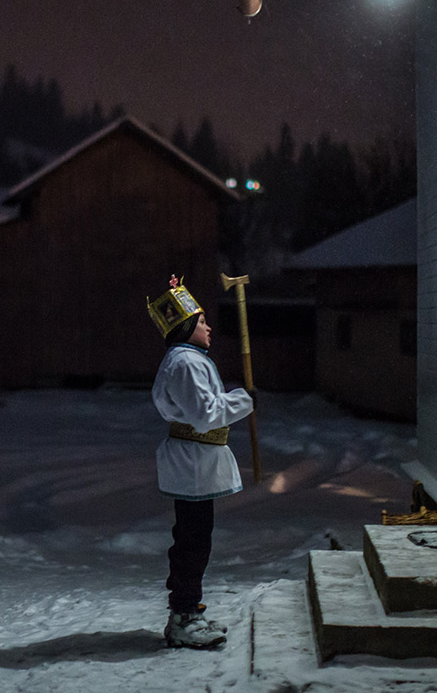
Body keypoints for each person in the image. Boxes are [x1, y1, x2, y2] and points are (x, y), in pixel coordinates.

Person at [147, 275, 254, 649]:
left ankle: (188, 610)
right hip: (193, 464)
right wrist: (243, 399)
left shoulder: (186, 360)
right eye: (202, 321)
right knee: (193, 542)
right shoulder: (187, 363)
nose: (209, 327)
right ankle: (184, 616)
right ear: (187, 325)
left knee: (194, 539)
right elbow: (206, 413)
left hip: (194, 462)